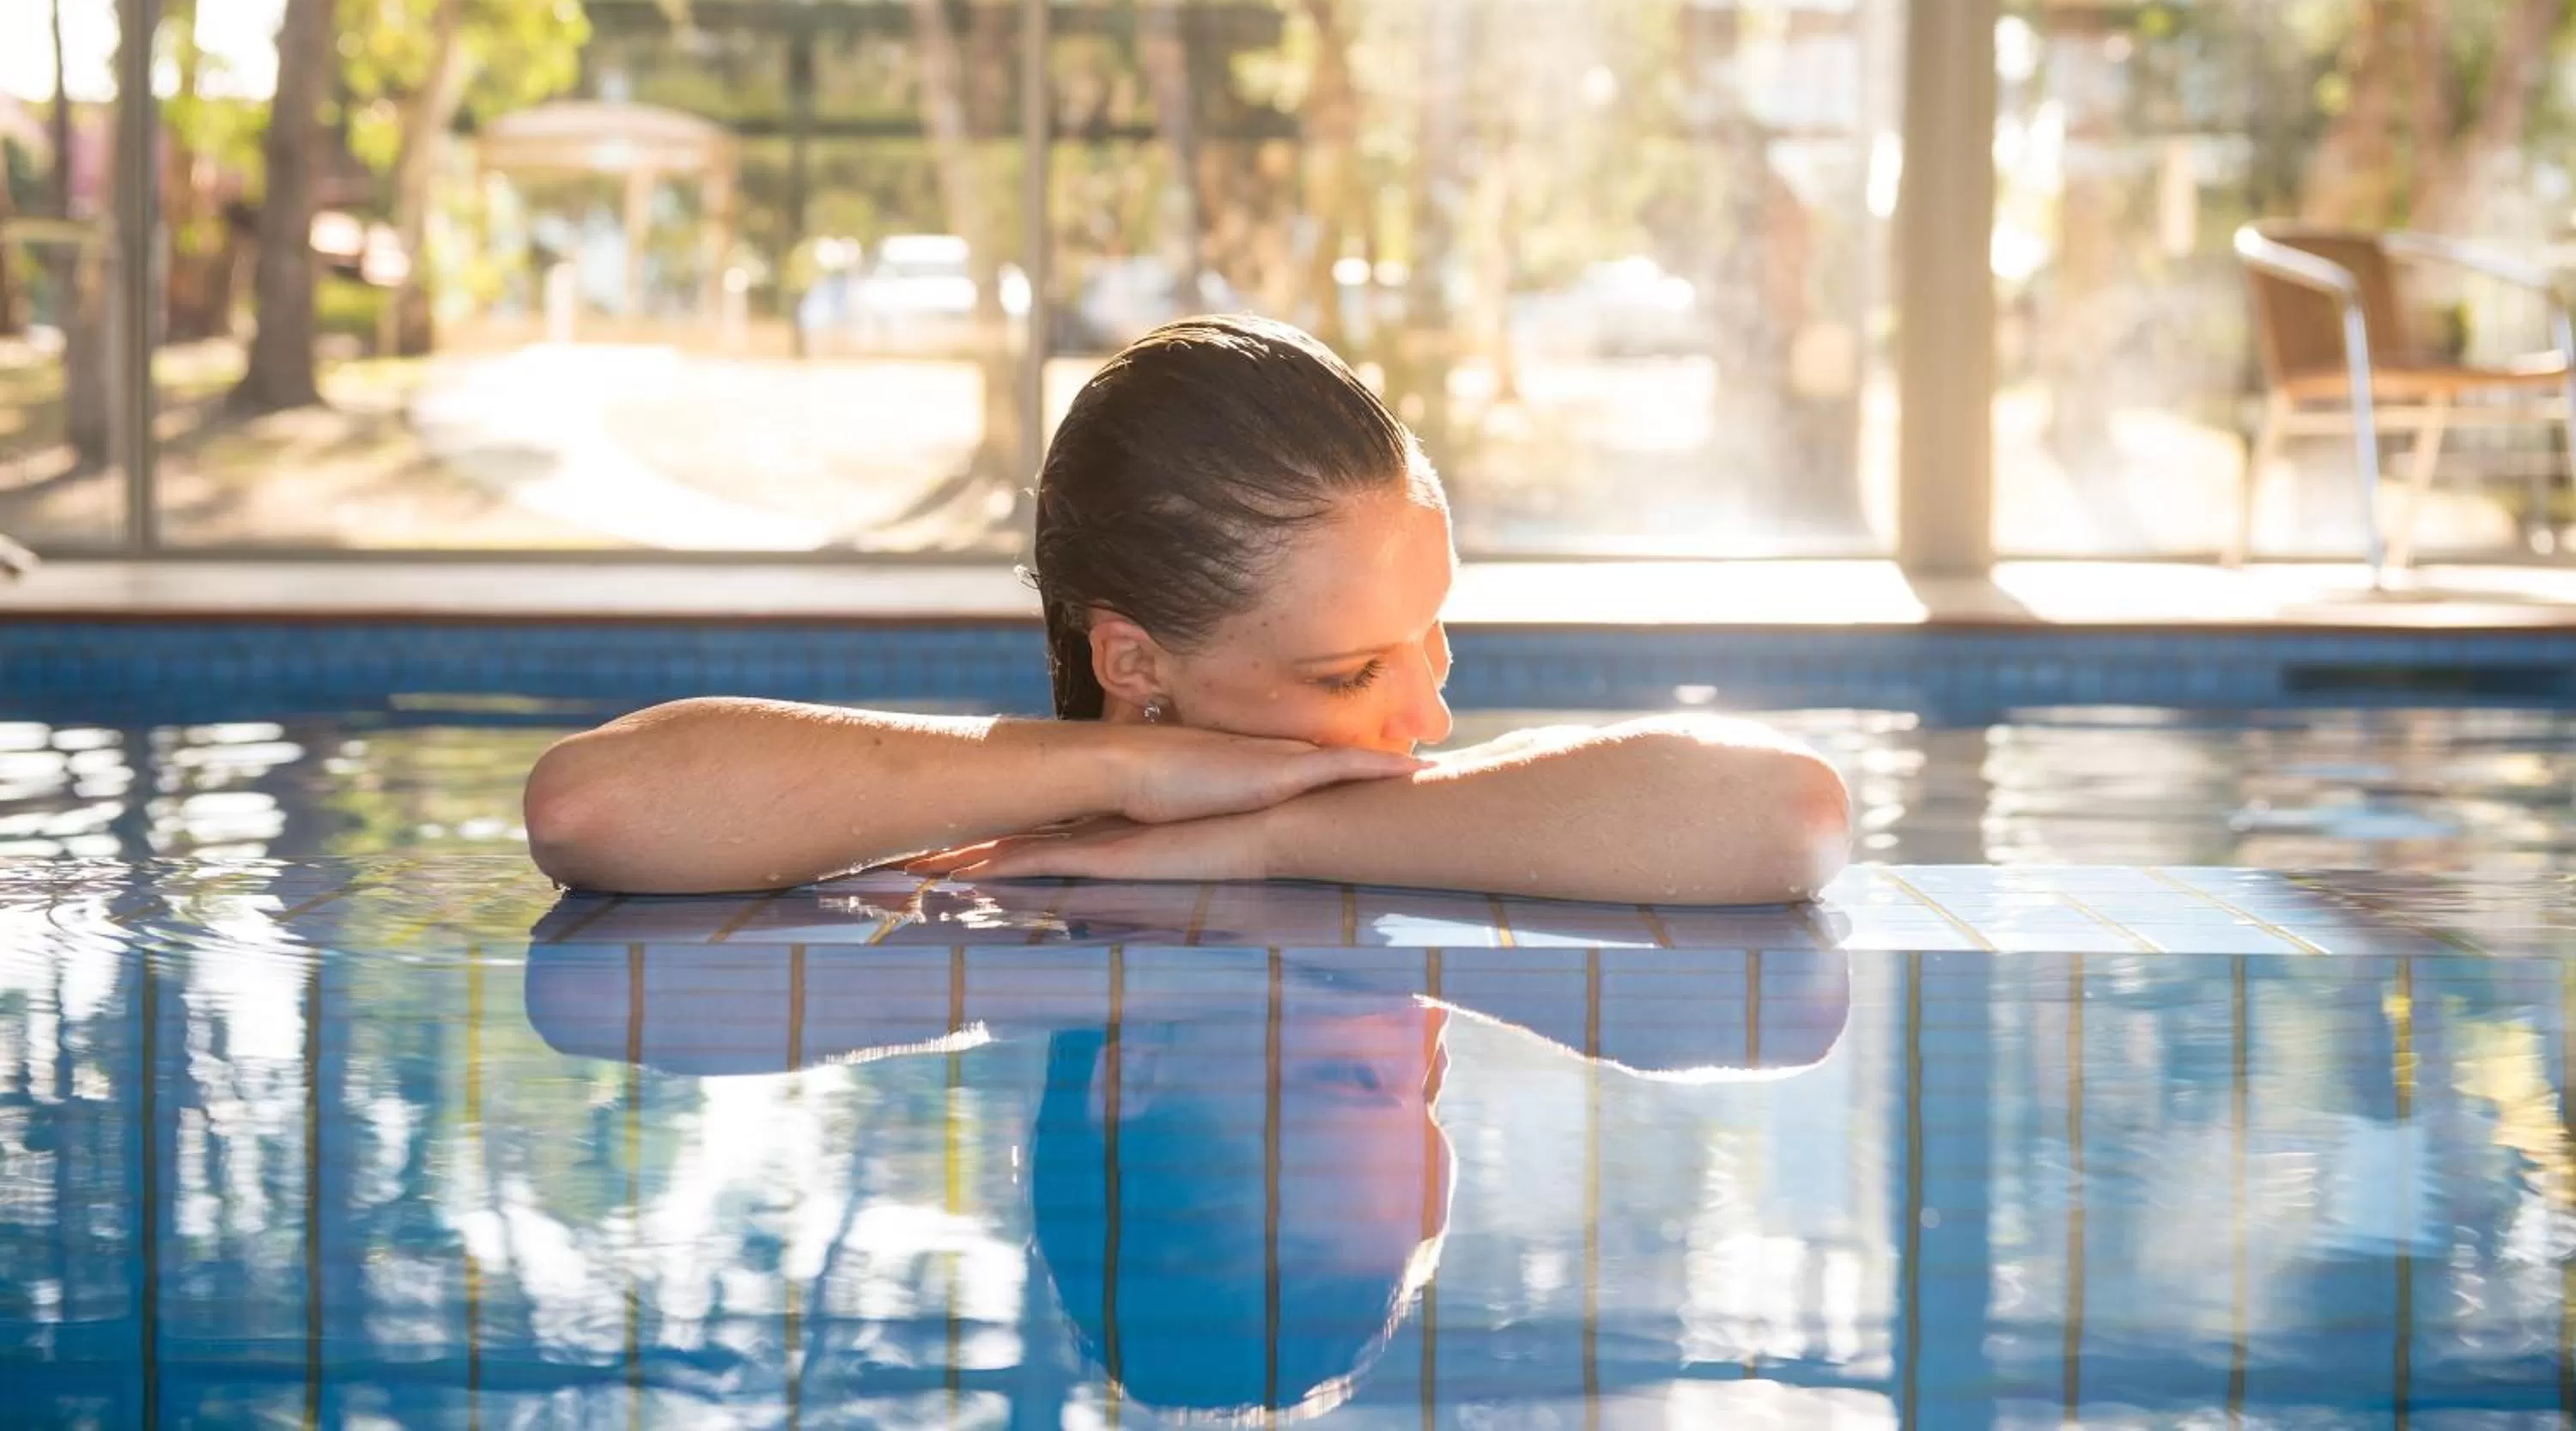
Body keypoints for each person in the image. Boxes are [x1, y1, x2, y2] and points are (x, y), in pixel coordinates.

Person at [524, 315, 1850, 903]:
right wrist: (1131, 773)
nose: (1430, 712)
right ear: (1133, 659)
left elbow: (1790, 815)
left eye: (1434, 637)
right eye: (1350, 675)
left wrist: (1258, 846)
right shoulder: (980, 887)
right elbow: (590, 809)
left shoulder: (1433, 820)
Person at [520, 891, 1853, 1417]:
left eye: (1352, 1074)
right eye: (1418, 1086)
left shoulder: (1008, 914)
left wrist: (1178, 860)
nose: (1432, 1017)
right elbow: (1793, 1003)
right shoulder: (1419, 884)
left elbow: (586, 992)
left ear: (1138, 1066)